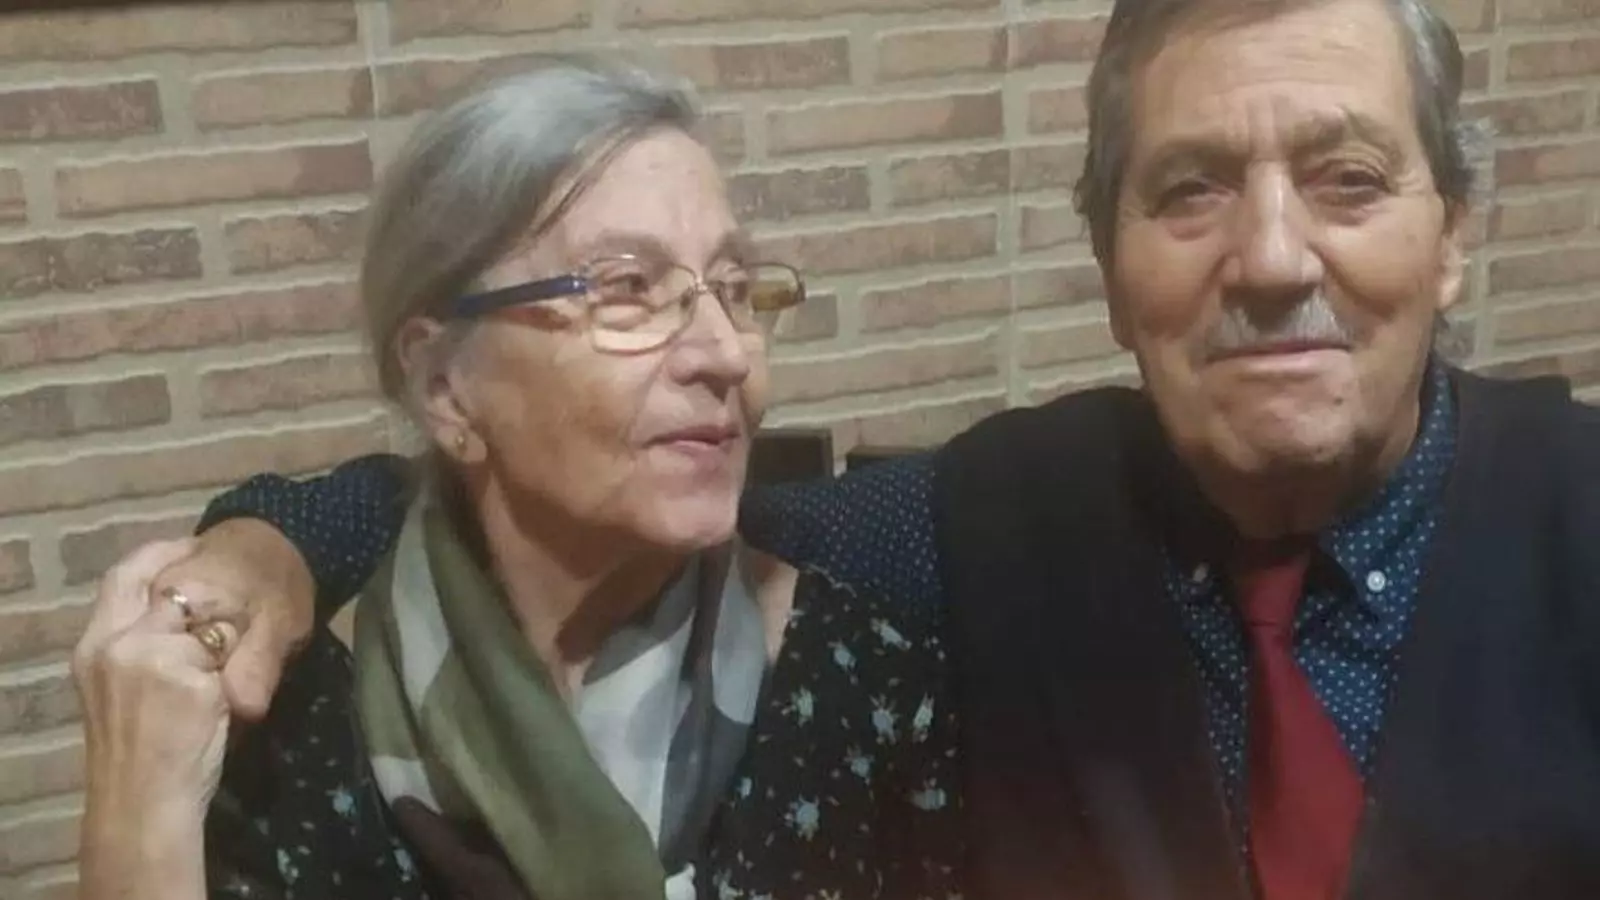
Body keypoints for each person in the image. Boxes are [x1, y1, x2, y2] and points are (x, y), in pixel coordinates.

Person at [103, 0, 1600, 897]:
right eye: (1190, 191)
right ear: (1108, 265)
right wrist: (267, 547)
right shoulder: (1010, 515)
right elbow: (577, 502)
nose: (1270, 258)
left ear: (1453, 236)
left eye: (1348, 179)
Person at [70, 56, 962, 900]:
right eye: (626, 288)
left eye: (732, 288)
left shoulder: (860, 681)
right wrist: (138, 824)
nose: (726, 353)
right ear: (446, 388)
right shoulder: (290, 734)